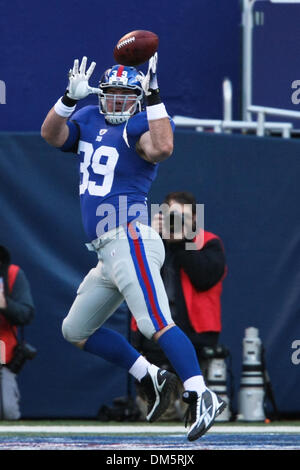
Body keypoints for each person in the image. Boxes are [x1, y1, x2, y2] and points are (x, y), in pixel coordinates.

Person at [41, 54, 226, 440]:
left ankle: (199, 392)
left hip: (130, 237)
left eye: (127, 95)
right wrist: (67, 101)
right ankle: (152, 376)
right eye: (111, 94)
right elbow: (52, 135)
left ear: (138, 99)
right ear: (101, 93)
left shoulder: (144, 122)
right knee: (75, 329)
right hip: (105, 250)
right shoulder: (88, 117)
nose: (117, 101)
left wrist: (155, 95)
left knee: (154, 322)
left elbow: (162, 148)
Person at [131, 191, 227, 419]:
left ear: (194, 219)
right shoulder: (149, 241)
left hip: (196, 334)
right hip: (153, 335)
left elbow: (205, 279)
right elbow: (131, 275)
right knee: (155, 413)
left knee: (193, 411)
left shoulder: (207, 242)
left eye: (182, 217)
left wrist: (184, 241)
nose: (175, 222)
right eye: (170, 216)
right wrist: (152, 236)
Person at [0, 245, 35, 420]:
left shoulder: (13, 273)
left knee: (8, 412)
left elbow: (26, 314)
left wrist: (5, 304)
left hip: (3, 355)